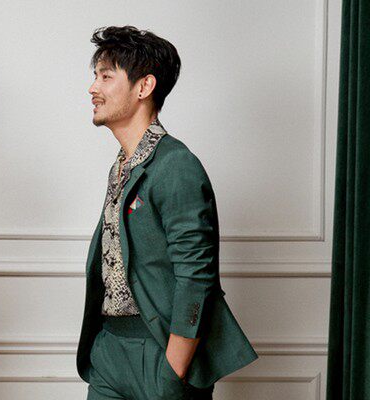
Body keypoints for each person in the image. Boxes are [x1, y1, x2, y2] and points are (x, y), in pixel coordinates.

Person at [76, 25, 258, 400]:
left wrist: (173, 371)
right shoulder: (122, 166)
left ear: (144, 86)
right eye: (95, 76)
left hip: (159, 353)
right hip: (109, 350)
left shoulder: (176, 165)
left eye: (106, 76)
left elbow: (196, 277)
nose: (93, 88)